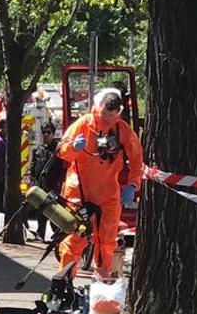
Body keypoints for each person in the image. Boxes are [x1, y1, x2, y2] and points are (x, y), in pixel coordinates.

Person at [56, 89, 142, 281]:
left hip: (107, 195)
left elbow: (137, 160)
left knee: (107, 241)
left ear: (118, 112)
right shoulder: (84, 124)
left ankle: (103, 283)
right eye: (104, 114)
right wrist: (72, 147)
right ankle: (64, 282)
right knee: (74, 240)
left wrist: (133, 186)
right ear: (99, 107)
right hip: (79, 192)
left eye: (112, 115)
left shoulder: (123, 130)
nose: (107, 119)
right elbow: (62, 152)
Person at [28, 121, 64, 242]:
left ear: (53, 133)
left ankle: (58, 235)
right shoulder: (39, 149)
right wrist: (33, 181)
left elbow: (61, 170)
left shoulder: (58, 150)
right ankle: (40, 234)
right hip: (40, 186)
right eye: (44, 132)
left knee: (54, 212)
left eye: (48, 132)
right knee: (40, 212)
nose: (46, 135)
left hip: (53, 187)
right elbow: (33, 166)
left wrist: (56, 186)